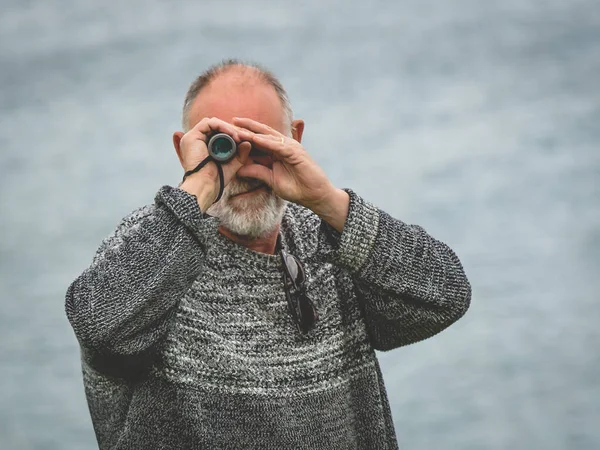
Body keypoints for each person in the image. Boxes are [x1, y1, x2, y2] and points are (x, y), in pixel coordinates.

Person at [65, 59, 471, 450]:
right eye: (221, 145)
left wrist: (330, 203)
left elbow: (446, 296)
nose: (242, 166)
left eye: (260, 143)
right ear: (183, 148)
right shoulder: (154, 247)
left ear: (293, 138)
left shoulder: (330, 238)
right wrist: (197, 188)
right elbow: (101, 330)